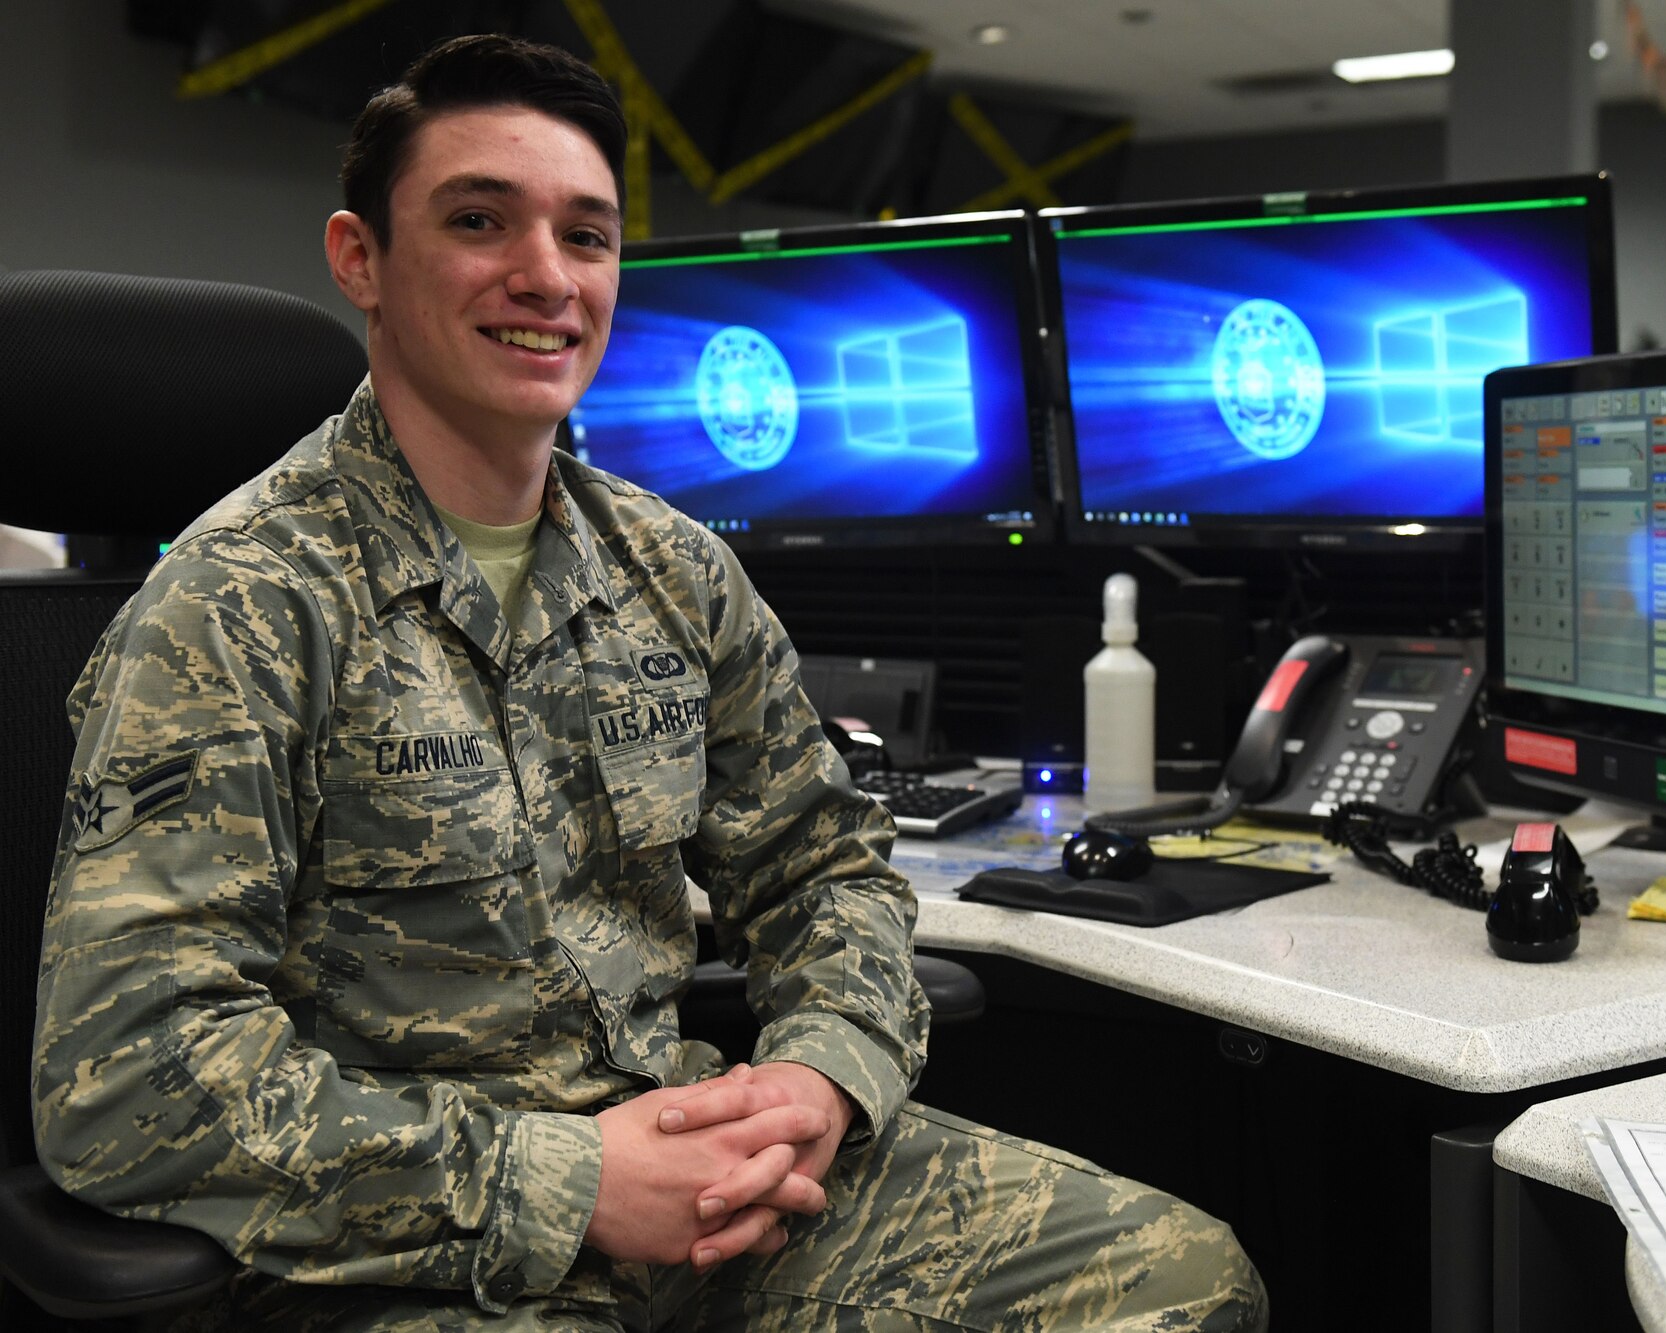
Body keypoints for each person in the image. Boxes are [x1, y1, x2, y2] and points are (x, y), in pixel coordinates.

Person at [33, 33, 1267, 1332]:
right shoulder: (238, 604)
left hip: (712, 1178)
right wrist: (573, 1180)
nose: (546, 276)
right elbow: (128, 1081)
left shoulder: (674, 570)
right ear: (362, 261)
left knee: (1185, 1285)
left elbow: (822, 870)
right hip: (404, 1243)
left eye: (589, 234)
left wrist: (817, 1076)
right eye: (478, 220)